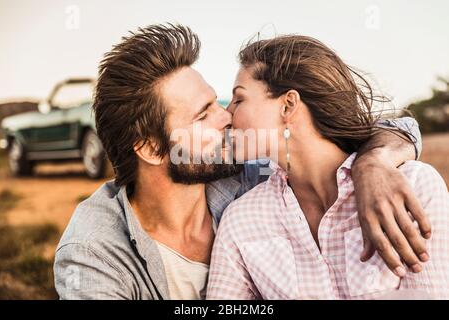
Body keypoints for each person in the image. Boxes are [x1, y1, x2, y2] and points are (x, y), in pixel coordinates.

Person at [54, 24, 428, 300]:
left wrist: (372, 163)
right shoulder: (94, 254)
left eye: (221, 102)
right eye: (202, 116)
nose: (226, 118)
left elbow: (392, 127)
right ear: (151, 149)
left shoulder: (250, 175)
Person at [206, 34, 449, 300]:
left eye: (239, 99)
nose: (227, 114)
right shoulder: (241, 220)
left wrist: (371, 163)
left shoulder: (414, 186)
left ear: (288, 105)